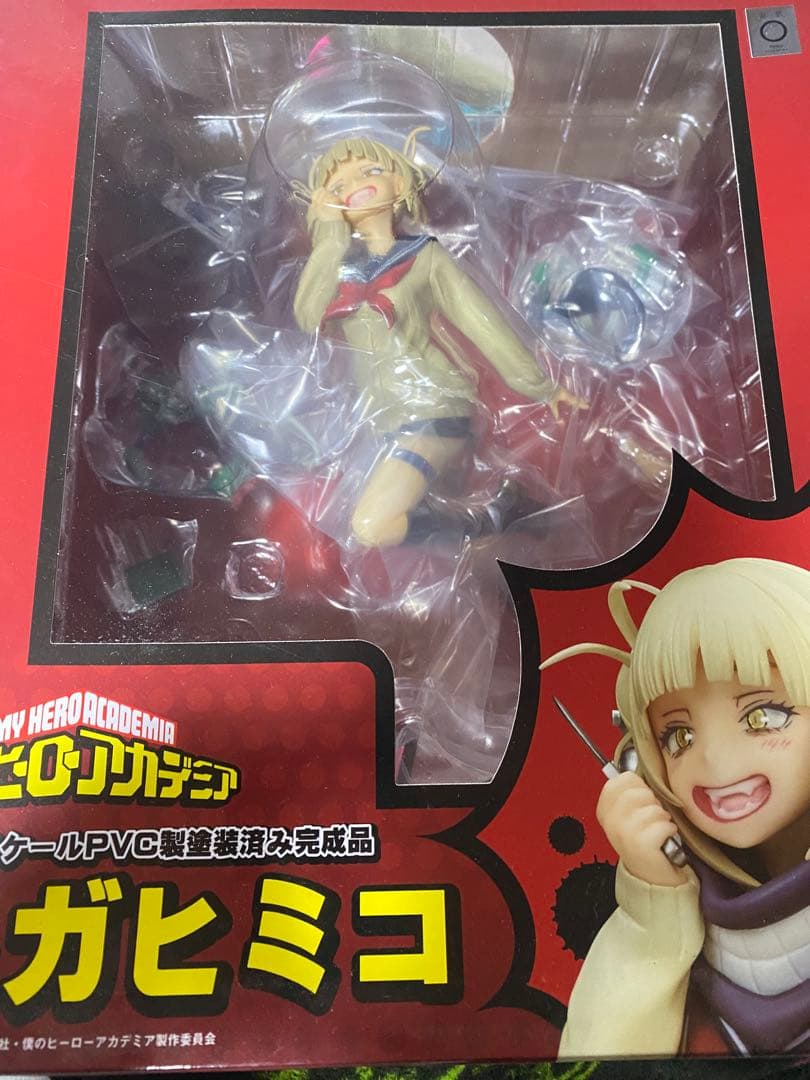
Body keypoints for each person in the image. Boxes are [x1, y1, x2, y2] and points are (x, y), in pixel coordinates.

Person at [540, 558, 810, 1057]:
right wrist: (654, 905)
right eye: (679, 735)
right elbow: (597, 1059)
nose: (715, 762)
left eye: (763, 716)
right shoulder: (689, 895)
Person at [293, 130, 585, 549]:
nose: (354, 186)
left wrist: (540, 385)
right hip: (381, 418)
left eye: (370, 171)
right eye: (338, 186)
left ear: (399, 182)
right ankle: (495, 509)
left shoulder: (424, 256)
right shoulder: (341, 269)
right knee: (419, 505)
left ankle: (497, 515)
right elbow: (308, 316)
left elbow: (481, 321)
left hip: (433, 407)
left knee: (371, 526)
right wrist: (329, 240)